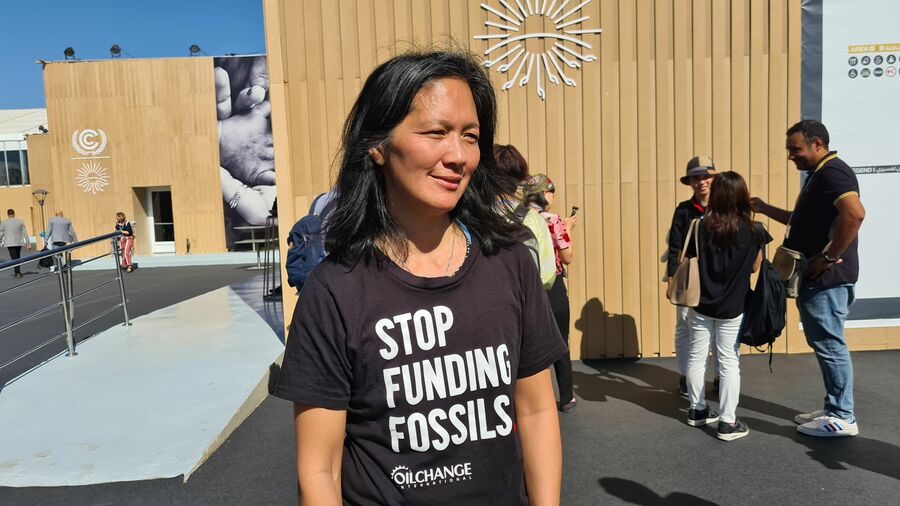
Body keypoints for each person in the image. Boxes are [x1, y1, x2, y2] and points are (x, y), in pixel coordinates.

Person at [273, 50, 565, 505]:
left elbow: (536, 410)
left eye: (470, 136)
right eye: (436, 133)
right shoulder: (335, 290)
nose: (458, 156)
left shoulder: (510, 262)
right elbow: (319, 468)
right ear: (377, 145)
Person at [750, 119, 866, 437]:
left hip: (828, 279)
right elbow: (801, 220)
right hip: (819, 279)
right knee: (824, 342)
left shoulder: (833, 172)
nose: (791, 155)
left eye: (795, 149)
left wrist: (827, 258)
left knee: (829, 344)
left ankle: (842, 416)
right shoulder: (820, 174)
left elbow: (855, 214)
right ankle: (834, 407)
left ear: (817, 144)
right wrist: (765, 208)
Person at [685, 171, 769, 441]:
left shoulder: (700, 226)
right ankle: (727, 422)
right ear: (742, 196)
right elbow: (755, 267)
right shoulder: (754, 230)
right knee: (729, 361)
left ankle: (697, 410)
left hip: (701, 303)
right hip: (733, 305)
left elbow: (691, 260)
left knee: (697, 357)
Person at [666, 156, 720, 396]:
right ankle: (686, 374)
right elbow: (675, 246)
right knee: (685, 325)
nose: (701, 182)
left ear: (714, 179)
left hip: (719, 276)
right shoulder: (683, 210)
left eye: (706, 176)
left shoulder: (725, 207)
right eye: (696, 178)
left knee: (720, 327)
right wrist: (672, 276)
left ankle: (720, 375)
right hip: (690, 275)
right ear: (689, 182)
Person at [524, 174, 578, 413]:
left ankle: (532, 400)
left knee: (530, 342)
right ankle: (566, 398)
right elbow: (567, 257)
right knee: (560, 339)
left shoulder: (518, 217)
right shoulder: (553, 220)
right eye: (551, 192)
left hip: (525, 285)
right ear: (544, 194)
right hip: (551, 284)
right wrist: (568, 229)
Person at [493, 144, 557, 290]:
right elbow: (547, 278)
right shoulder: (533, 219)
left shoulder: (471, 217)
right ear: (519, 180)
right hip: (520, 298)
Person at [0, 208, 31, 278]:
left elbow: (1, 233)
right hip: (18, 242)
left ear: (7, 214)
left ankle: (17, 272)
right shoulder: (20, 221)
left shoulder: (4, 223)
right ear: (14, 213)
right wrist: (28, 243)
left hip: (9, 243)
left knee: (14, 257)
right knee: (17, 256)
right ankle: (17, 271)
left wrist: (0, 240)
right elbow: (24, 232)